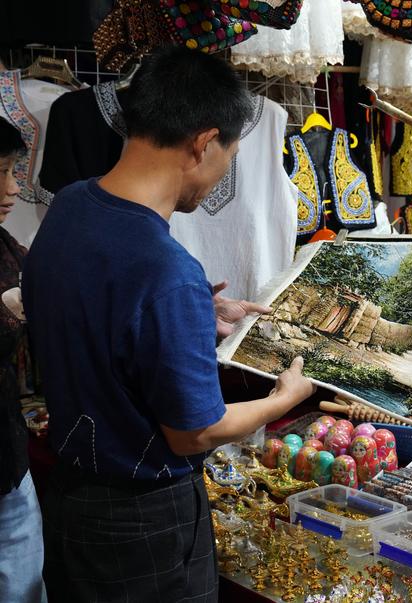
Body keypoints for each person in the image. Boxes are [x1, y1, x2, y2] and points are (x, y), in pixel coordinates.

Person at [22, 46, 315, 602]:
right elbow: (194, 432)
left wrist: (190, 318)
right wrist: (285, 398)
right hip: (142, 521)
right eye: (226, 156)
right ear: (204, 142)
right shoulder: (168, 270)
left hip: (69, 498)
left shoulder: (72, 206)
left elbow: (80, 309)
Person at [0, 118, 45, 603]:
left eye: (13, 171)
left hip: (8, 460)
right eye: (3, 172)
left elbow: (75, 277)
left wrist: (198, 302)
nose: (13, 188)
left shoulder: (8, 248)